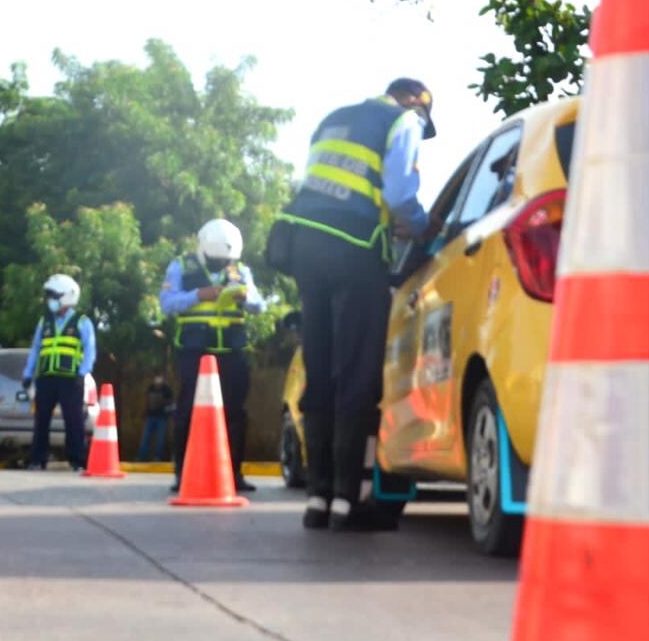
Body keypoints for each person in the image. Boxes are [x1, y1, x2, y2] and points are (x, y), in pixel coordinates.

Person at [278, 78, 438, 530]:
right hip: (355, 252)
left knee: (320, 368)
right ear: (415, 102)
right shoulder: (402, 120)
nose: (421, 127)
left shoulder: (335, 119)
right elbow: (398, 194)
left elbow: (333, 189)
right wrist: (421, 226)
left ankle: (318, 500)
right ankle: (348, 500)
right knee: (355, 375)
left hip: (306, 248)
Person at [159, 218, 265, 494]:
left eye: (226, 260)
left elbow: (259, 304)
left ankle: (234, 474)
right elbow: (167, 303)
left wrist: (245, 299)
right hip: (195, 352)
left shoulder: (241, 270)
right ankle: (182, 474)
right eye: (217, 260)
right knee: (186, 411)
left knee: (235, 413)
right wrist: (199, 295)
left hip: (232, 351)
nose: (223, 264)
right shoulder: (181, 267)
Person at [22, 274, 96, 471]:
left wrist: (82, 373)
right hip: (46, 378)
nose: (50, 300)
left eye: (54, 295)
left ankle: (77, 461)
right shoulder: (44, 322)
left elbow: (90, 351)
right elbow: (35, 349)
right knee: (41, 419)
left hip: (71, 379)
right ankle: (38, 459)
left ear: (67, 296)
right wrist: (28, 374)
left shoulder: (82, 322)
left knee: (74, 420)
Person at [137, 375, 173, 462]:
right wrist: (144, 412)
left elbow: (171, 403)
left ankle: (157, 457)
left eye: (159, 378)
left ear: (163, 379)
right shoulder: (151, 388)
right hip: (150, 417)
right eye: (156, 378)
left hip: (161, 417)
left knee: (160, 440)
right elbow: (146, 401)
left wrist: (166, 410)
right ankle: (142, 458)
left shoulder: (167, 389)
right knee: (145, 438)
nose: (158, 380)